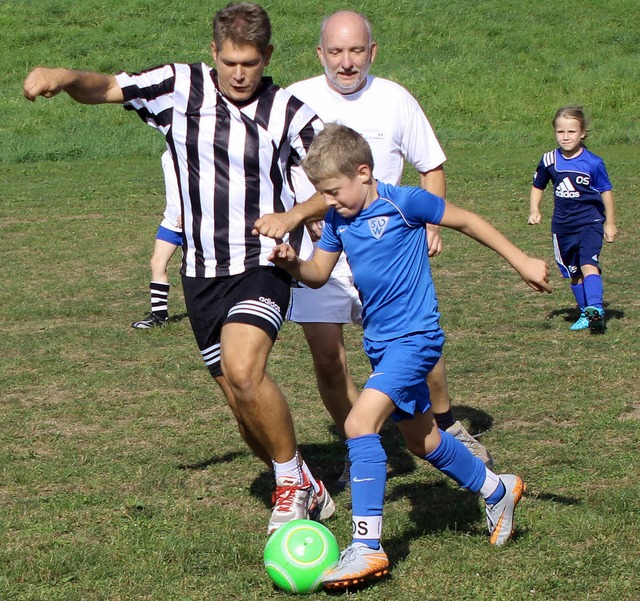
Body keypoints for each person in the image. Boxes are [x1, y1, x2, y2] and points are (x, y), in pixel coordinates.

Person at [23, 2, 335, 535]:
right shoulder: (178, 86)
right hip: (202, 275)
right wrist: (63, 76)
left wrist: (294, 214)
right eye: (230, 61)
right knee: (241, 408)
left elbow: (338, 181)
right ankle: (305, 480)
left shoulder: (289, 112)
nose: (240, 74)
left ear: (268, 57)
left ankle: (288, 487)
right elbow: (106, 87)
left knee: (244, 369)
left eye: (251, 63)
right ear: (213, 52)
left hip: (260, 264)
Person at [269, 124, 552, 589]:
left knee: (360, 424)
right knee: (421, 440)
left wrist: (522, 261)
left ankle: (367, 545)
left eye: (334, 191)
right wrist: (290, 264)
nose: (328, 202)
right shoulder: (340, 219)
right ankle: (497, 489)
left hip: (415, 340)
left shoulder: (405, 202)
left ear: (364, 173)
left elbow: (467, 221)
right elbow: (318, 273)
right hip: (381, 346)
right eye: (321, 193)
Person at [256, 10, 493, 483]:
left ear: (372, 52)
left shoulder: (395, 99)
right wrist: (300, 217)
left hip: (387, 246)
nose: (347, 63)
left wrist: (432, 224)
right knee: (327, 355)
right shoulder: (293, 100)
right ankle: (358, 443)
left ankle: (444, 424)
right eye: (337, 52)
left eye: (356, 51)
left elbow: (432, 165)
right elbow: (273, 169)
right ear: (320, 53)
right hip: (323, 248)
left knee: (416, 345)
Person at [528, 104, 617, 332]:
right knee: (574, 273)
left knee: (589, 264)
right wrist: (534, 209)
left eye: (571, 132)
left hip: (590, 223)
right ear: (555, 132)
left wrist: (610, 222)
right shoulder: (549, 159)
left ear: (582, 133)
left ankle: (596, 308)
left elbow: (606, 191)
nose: (565, 137)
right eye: (560, 132)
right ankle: (586, 313)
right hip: (562, 228)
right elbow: (538, 185)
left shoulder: (593, 162)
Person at [131, 150, 183, 329]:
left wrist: (190, 211)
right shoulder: (167, 156)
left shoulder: (194, 154)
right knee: (157, 263)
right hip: (171, 222)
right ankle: (159, 316)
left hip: (196, 222)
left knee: (196, 271)